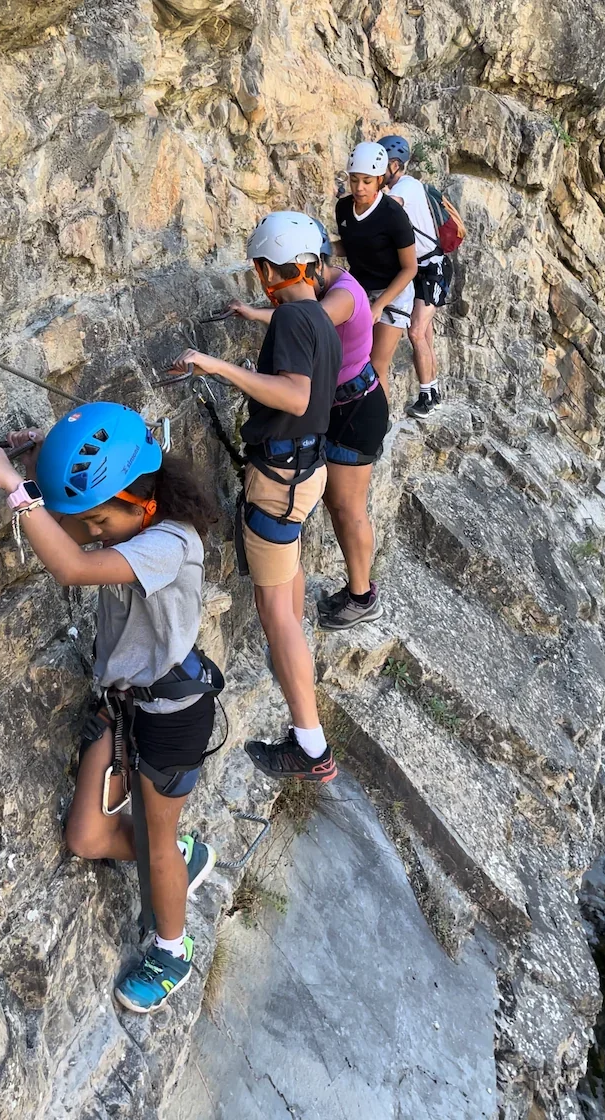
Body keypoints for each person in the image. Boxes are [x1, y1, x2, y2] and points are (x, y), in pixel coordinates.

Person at [0, 402, 220, 1015]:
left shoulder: (170, 545)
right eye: (91, 520)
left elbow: (71, 564)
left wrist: (12, 486)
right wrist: (42, 466)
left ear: (140, 502)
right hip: (125, 706)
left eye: (102, 520)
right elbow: (71, 524)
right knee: (86, 836)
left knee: (156, 844)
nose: (92, 531)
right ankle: (182, 856)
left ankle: (173, 948)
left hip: (169, 719)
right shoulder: (138, 520)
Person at [167, 211, 341, 782]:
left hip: (278, 482)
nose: (259, 278)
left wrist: (213, 366)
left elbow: (294, 395)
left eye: (260, 268)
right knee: (285, 598)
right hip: (305, 475)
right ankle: (295, 677)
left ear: (271, 268)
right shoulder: (316, 315)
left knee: (277, 618)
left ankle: (310, 747)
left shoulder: (291, 318)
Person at [229, 218, 388, 631]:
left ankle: (361, 595)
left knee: (347, 506)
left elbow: (307, 318)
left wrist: (256, 321)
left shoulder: (342, 295)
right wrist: (254, 313)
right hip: (339, 404)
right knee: (331, 503)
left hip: (355, 410)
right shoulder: (323, 286)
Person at [334, 141, 418, 403]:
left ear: (380, 179)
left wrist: (379, 305)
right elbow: (350, 245)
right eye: (354, 180)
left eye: (367, 181)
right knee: (349, 360)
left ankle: (378, 427)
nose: (359, 188)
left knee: (376, 364)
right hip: (359, 288)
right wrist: (320, 249)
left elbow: (410, 268)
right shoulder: (344, 208)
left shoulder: (393, 215)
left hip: (392, 292)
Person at [379, 134, 449, 420]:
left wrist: (354, 197)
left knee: (417, 332)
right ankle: (433, 391)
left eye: (380, 167)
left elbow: (389, 205)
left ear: (395, 165)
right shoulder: (404, 185)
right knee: (426, 334)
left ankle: (427, 396)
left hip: (431, 268)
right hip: (422, 268)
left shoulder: (406, 185)